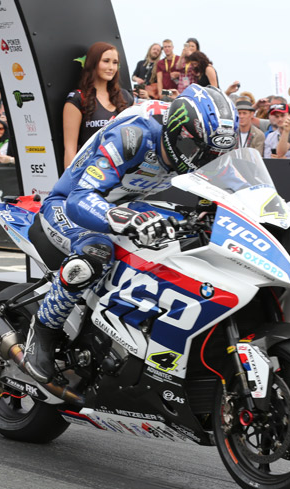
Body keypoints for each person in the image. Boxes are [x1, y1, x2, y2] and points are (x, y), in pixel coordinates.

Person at [21, 84, 237, 384]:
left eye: (213, 154)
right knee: (95, 253)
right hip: (71, 204)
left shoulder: (198, 142)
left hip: (129, 203)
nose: (203, 160)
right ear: (179, 133)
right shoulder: (134, 135)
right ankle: (44, 330)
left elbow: (229, 189)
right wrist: (125, 219)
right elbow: (80, 199)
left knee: (188, 238)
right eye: (199, 151)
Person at [62, 41, 133, 168]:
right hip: (90, 173)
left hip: (121, 173)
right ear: (93, 63)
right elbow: (70, 150)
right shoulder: (78, 98)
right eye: (106, 61)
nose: (111, 67)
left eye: (115, 62)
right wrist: (70, 179)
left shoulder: (125, 96)